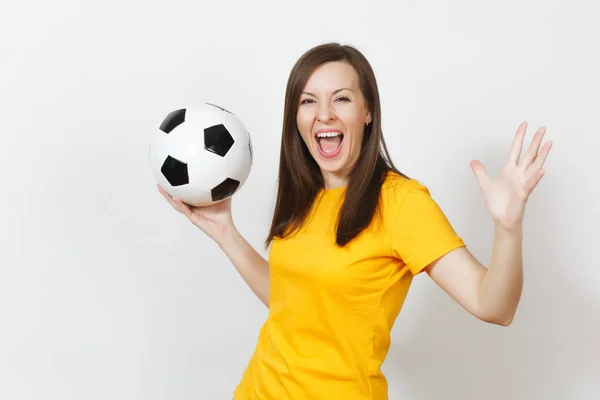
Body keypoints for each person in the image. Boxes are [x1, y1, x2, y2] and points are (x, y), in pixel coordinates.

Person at [157, 42, 552, 400]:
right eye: (308, 101)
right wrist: (225, 233)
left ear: (367, 112)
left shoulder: (401, 203)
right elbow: (292, 301)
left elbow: (494, 306)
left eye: (341, 99)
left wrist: (508, 226)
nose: (324, 114)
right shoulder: (305, 195)